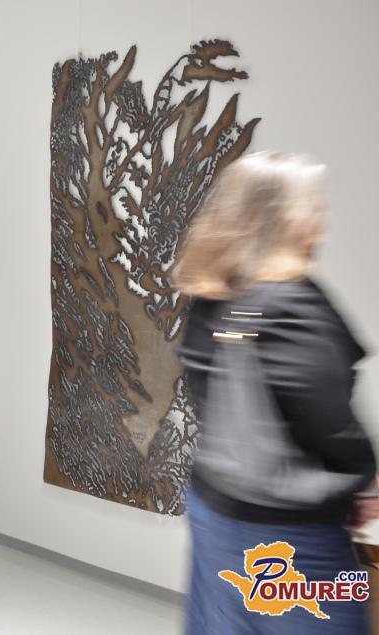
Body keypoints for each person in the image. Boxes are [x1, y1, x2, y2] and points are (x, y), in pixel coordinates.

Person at [174, 151, 379, 634]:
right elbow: (329, 422)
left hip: (212, 508)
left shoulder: (212, 295)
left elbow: (202, 393)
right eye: (314, 207)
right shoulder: (292, 306)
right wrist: (365, 478)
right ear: (288, 217)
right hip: (287, 534)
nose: (321, 221)